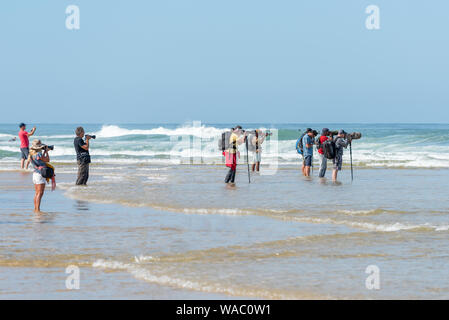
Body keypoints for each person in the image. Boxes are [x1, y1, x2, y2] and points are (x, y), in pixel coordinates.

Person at [28, 139, 52, 212]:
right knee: (40, 193)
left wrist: (44, 152)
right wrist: (46, 152)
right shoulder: (38, 154)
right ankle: (37, 209)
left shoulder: (31, 154)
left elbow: (41, 161)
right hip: (40, 174)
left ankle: (35, 208)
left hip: (35, 173)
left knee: (37, 193)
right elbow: (47, 160)